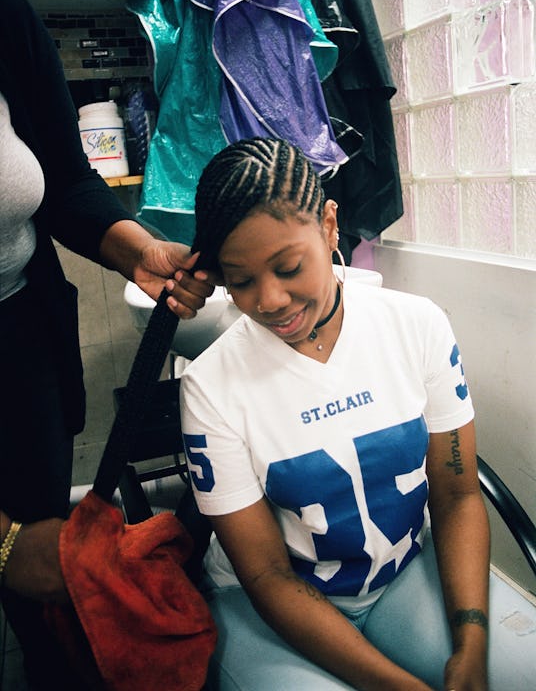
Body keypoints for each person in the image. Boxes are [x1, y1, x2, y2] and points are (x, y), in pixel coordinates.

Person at [180, 136, 534, 691]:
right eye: (241, 281)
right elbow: (267, 574)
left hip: (399, 579)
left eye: (289, 266)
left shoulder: (416, 326)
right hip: (270, 608)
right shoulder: (210, 386)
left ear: (328, 226)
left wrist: (471, 644)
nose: (270, 300)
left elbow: (458, 491)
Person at [0, 0, 214, 689]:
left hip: (21, 337)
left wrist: (137, 250)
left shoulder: (2, 12)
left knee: (50, 618)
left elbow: (63, 179)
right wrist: (3, 546)